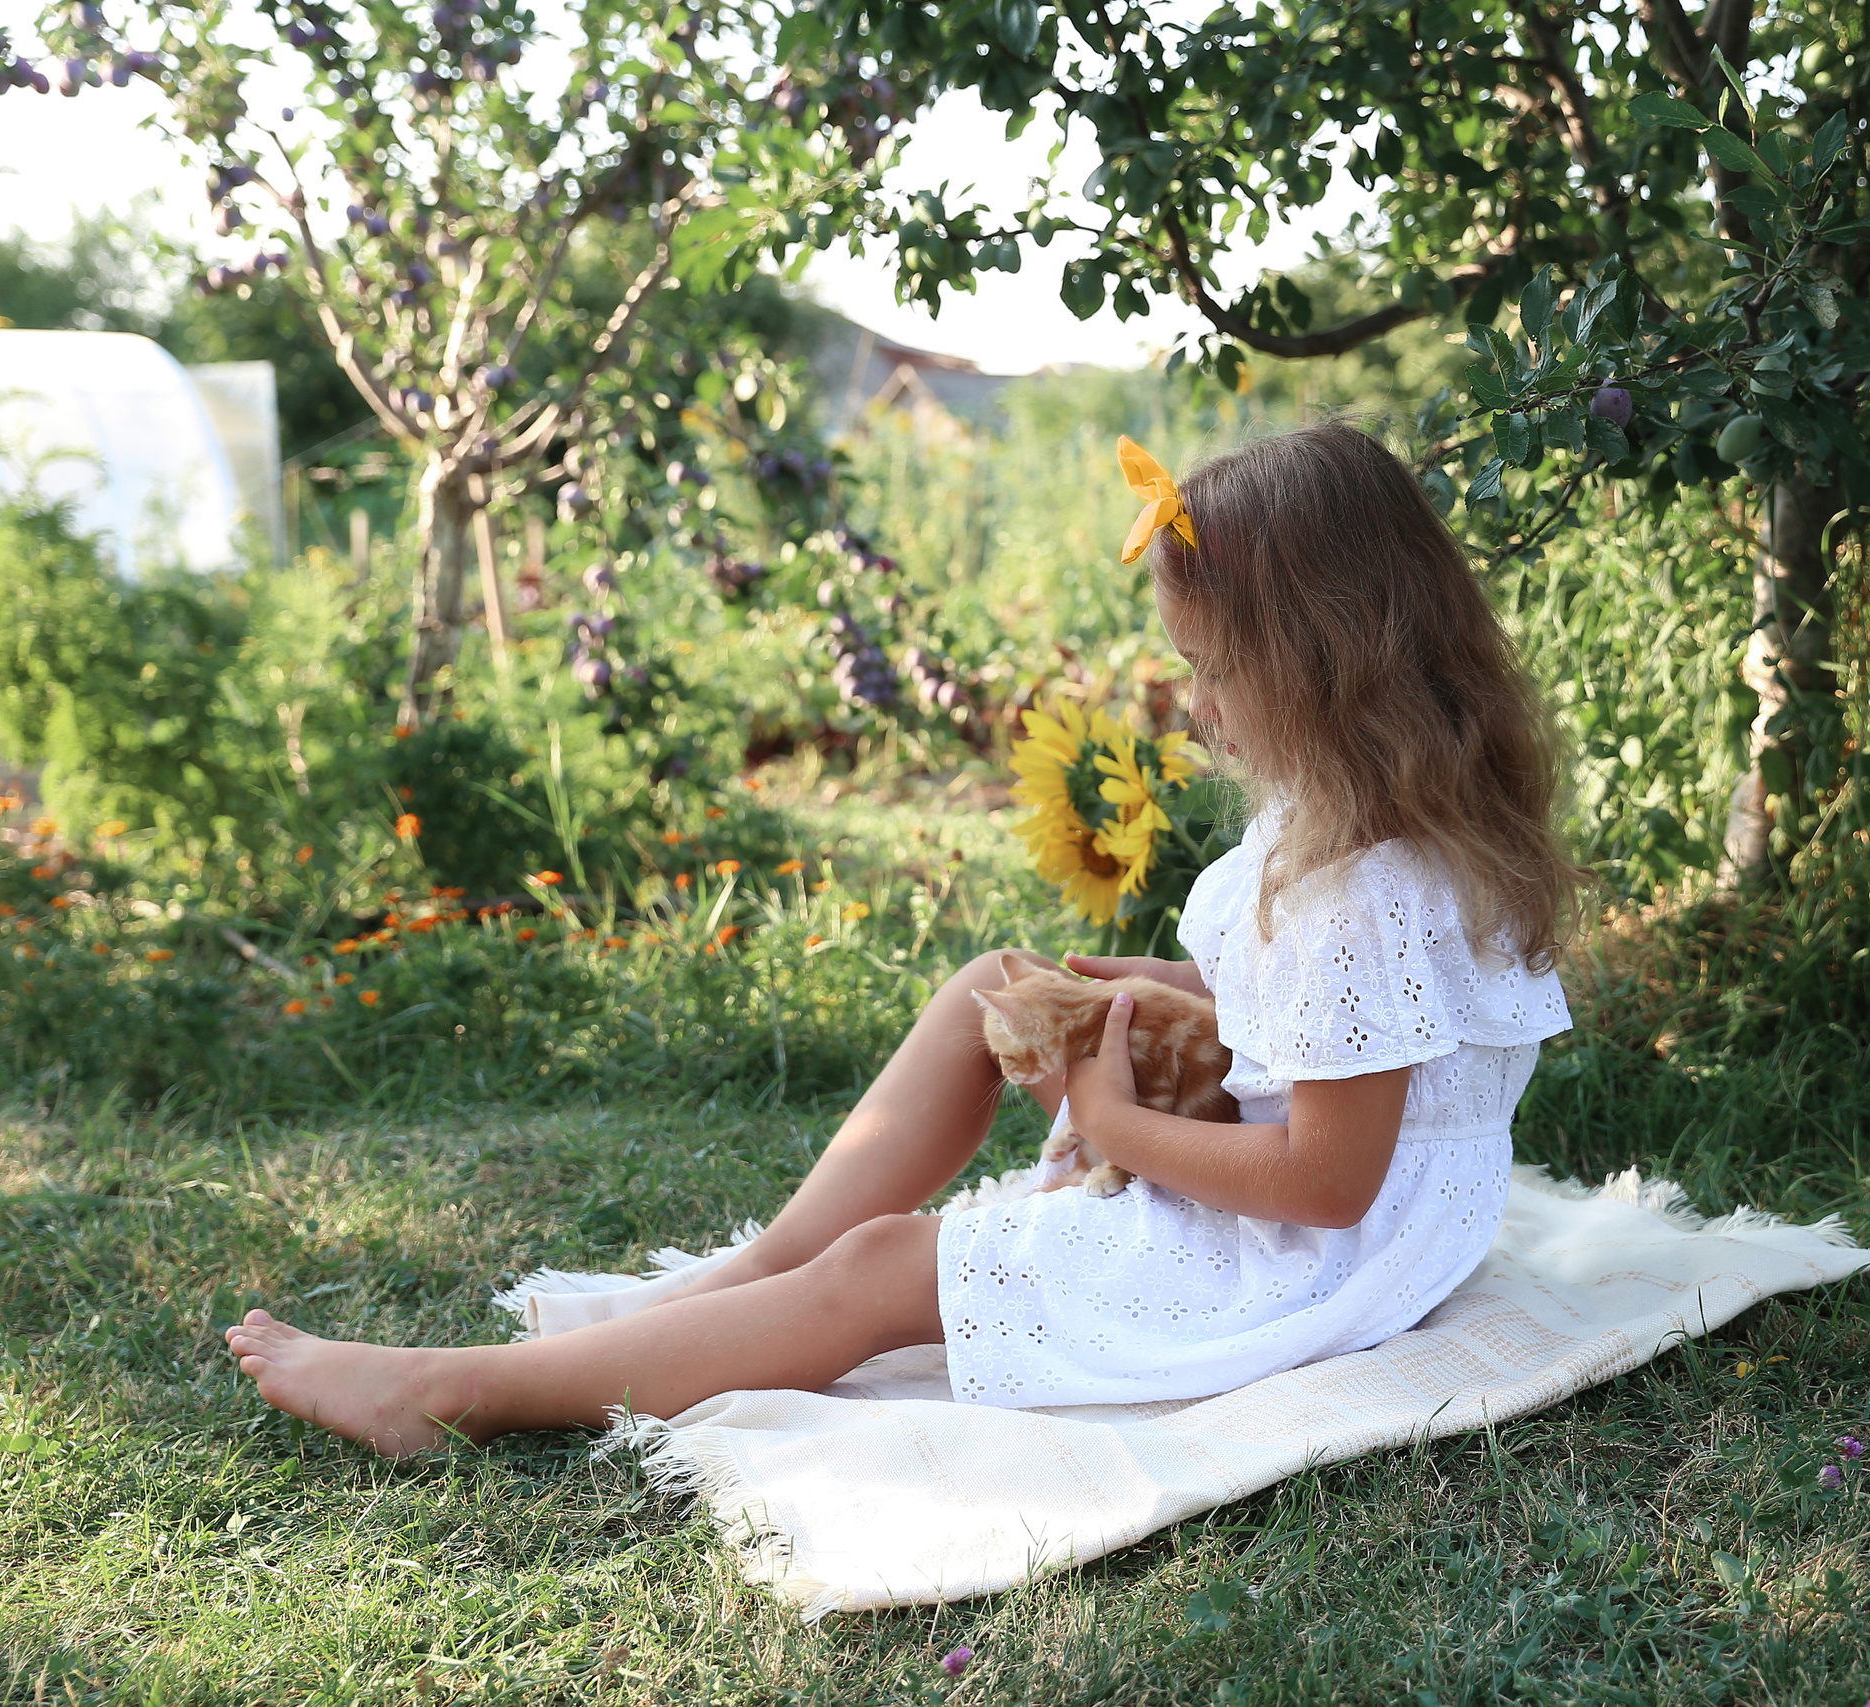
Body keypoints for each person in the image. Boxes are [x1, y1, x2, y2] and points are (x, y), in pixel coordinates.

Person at [223, 419, 1584, 1454]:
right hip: (1332, 1190)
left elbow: (1325, 1182)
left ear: (1323, 666)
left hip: (1311, 1259)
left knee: (887, 1272)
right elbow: (1322, 1025)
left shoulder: (1359, 892)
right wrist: (1143, 991)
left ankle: (449, 1390)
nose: (1198, 706)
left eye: (1215, 673)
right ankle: (755, 1274)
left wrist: (1115, 1126)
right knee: (987, 988)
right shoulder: (1369, 825)